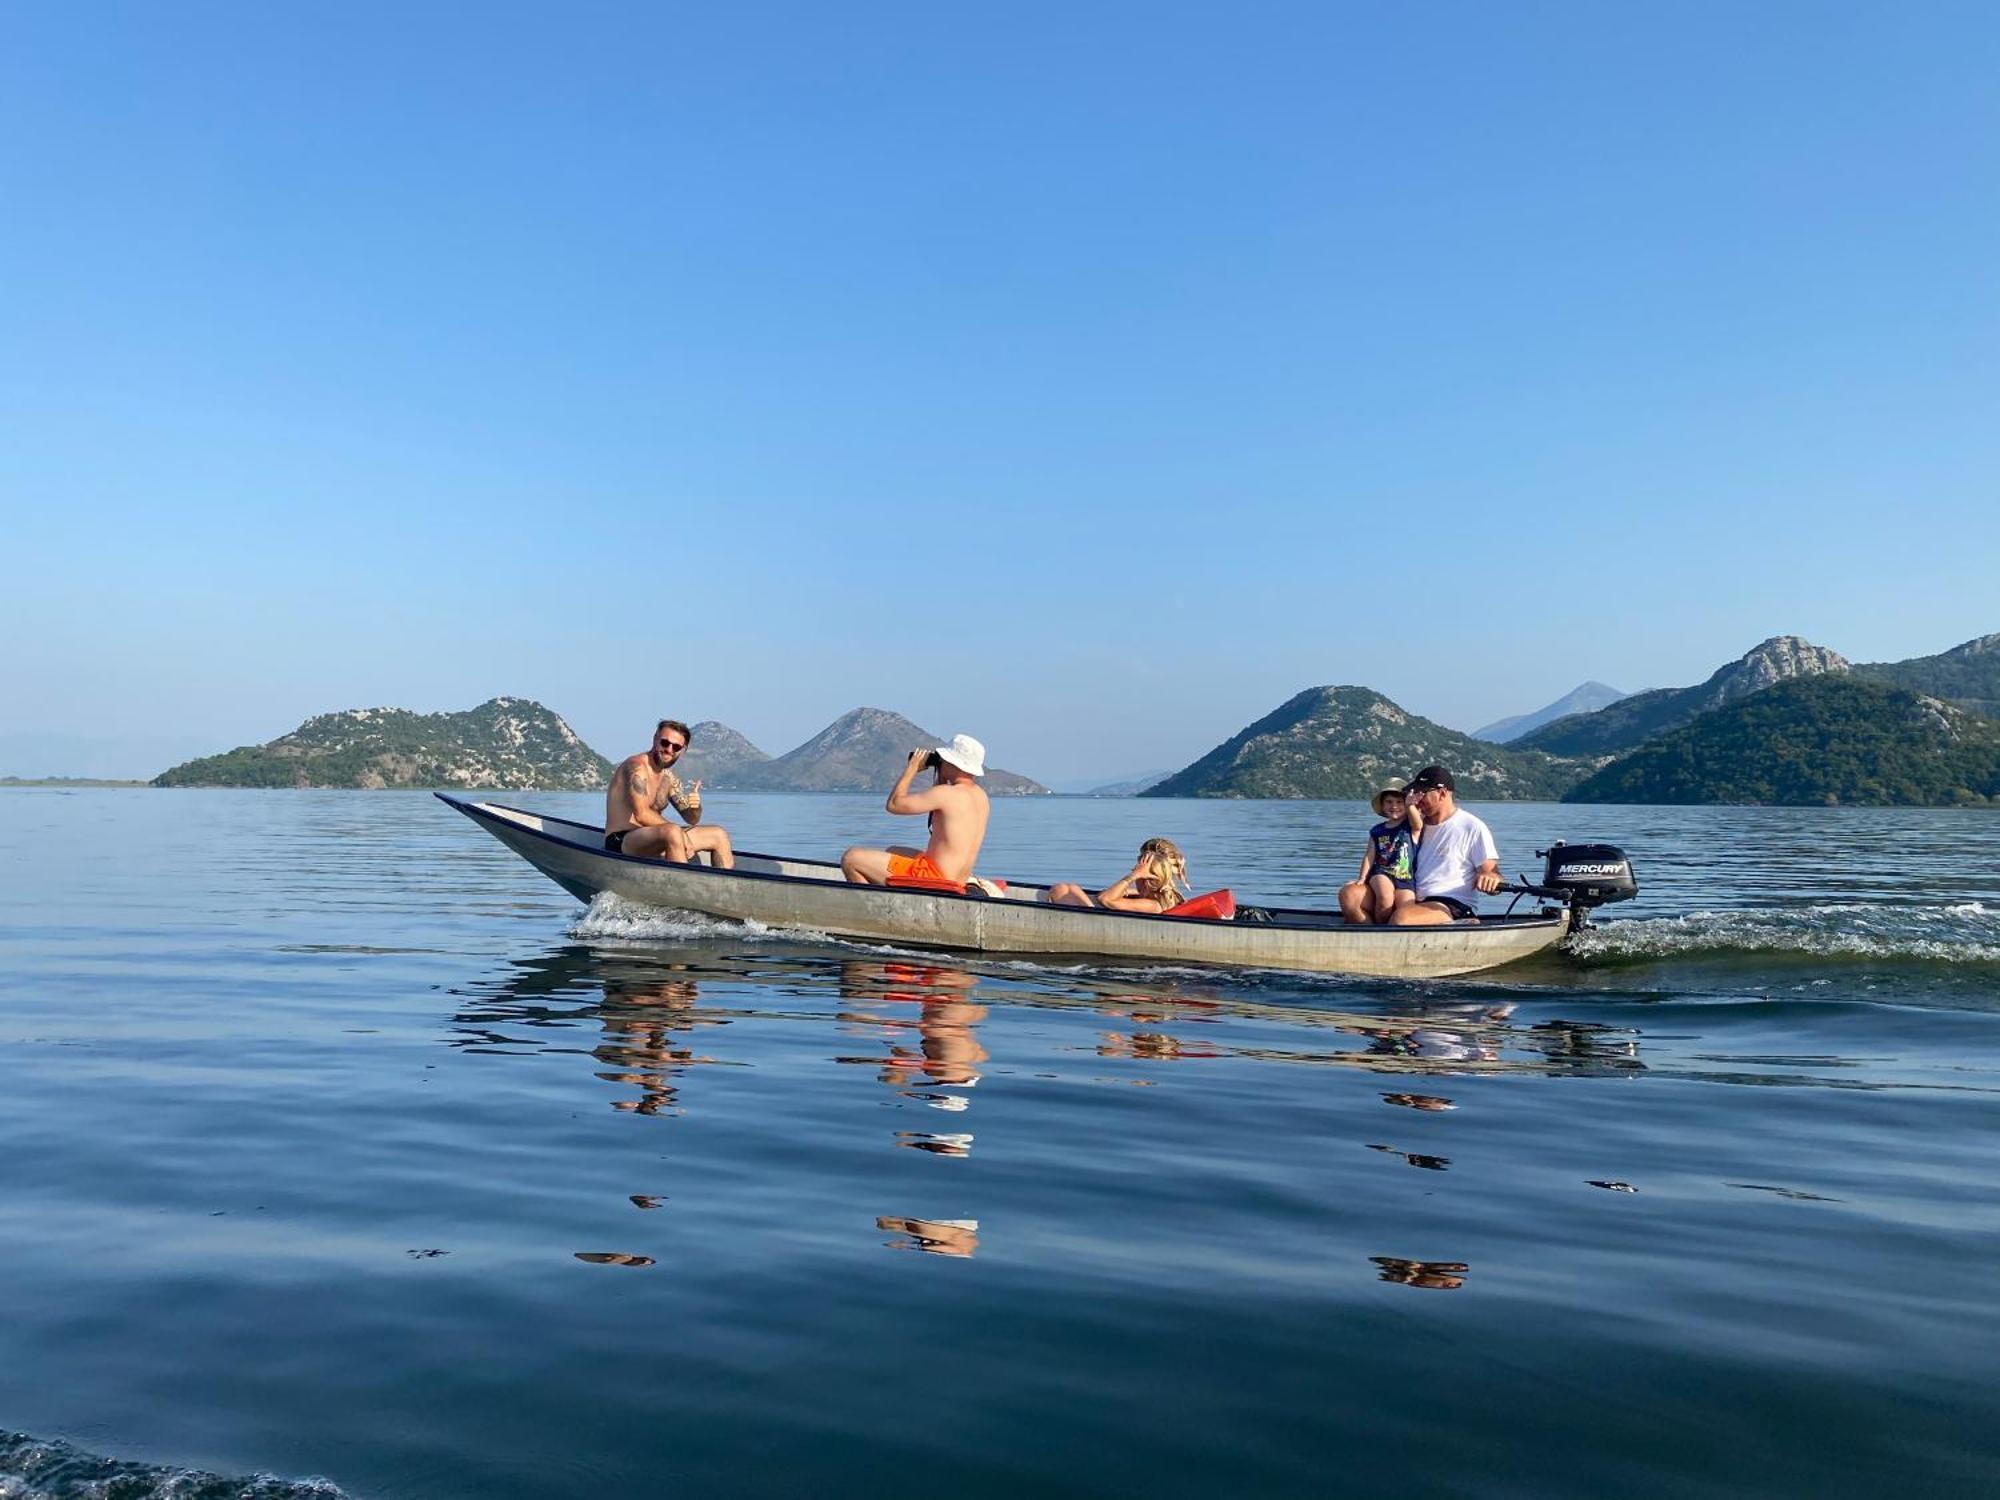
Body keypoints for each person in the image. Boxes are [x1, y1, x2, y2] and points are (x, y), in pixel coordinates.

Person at [840, 734, 991, 886]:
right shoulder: (981, 796)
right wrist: (942, 778)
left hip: (934, 877)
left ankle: (871, 904)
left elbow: (894, 804)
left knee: (851, 858)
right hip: (957, 879)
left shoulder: (947, 794)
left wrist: (912, 769)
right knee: (893, 850)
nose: (941, 762)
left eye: (944, 759)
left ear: (953, 762)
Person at [602, 719, 736, 868]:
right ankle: (682, 887)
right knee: (673, 831)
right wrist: (680, 834)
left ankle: (724, 888)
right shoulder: (637, 767)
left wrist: (695, 807)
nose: (669, 750)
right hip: (622, 840)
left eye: (676, 746)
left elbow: (691, 819)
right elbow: (641, 814)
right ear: (655, 739)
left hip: (657, 837)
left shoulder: (669, 778)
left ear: (682, 749)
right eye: (665, 743)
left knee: (718, 834)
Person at [1388, 766, 1500, 925]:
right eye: (1414, 793)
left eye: (1422, 794)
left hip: (1449, 904)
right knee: (1351, 895)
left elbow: (1492, 873)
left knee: (1402, 918)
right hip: (1408, 898)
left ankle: (1462, 923)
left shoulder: (1472, 826)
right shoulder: (1413, 825)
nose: (1416, 799)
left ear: (1442, 793)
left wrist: (1491, 878)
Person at [1338, 779, 1423, 924]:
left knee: (1406, 909)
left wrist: (1411, 805)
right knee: (1385, 897)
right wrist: (1363, 877)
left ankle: (1391, 931)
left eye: (1399, 802)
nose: (1394, 806)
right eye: (1389, 802)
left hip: (1405, 877)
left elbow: (1418, 824)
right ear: (1383, 806)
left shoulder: (1410, 828)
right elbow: (1369, 855)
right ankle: (1378, 927)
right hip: (1381, 872)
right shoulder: (1377, 830)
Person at [1047, 838, 1189, 913]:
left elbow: (1105, 899)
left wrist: (1132, 876)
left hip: (1100, 927)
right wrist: (1129, 890)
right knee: (1069, 888)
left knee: (1060, 889)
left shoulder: (1153, 905)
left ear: (1147, 880)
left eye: (1138, 874)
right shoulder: (1160, 896)